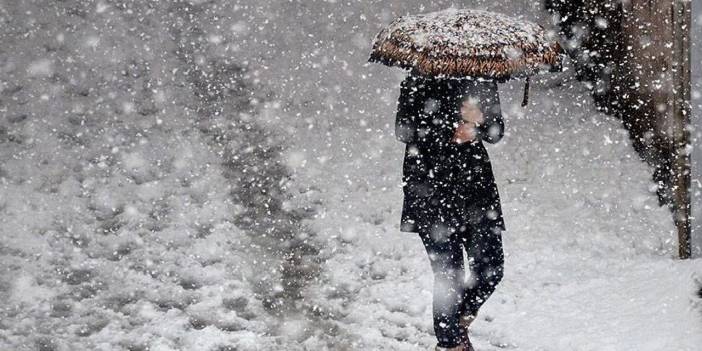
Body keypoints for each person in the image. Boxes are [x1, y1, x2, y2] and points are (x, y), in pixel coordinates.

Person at [395, 71, 506, 351]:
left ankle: (455, 323)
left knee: (491, 267)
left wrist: (479, 124)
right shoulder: (418, 78)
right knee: (449, 274)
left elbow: (497, 130)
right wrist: (451, 125)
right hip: (431, 189)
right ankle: (450, 343)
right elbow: (404, 130)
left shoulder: (480, 77)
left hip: (475, 190)